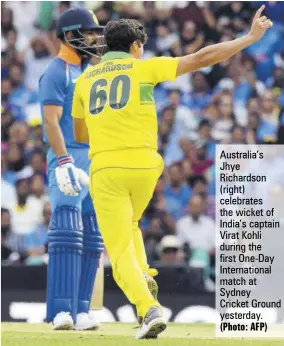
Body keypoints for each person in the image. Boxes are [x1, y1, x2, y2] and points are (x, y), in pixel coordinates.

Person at [69, 6, 272, 339]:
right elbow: (203, 57)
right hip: (147, 166)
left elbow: (80, 135)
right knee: (131, 224)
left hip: (107, 168)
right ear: (135, 47)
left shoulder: (83, 82)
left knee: (118, 253)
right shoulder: (145, 68)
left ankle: (148, 308)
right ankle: (145, 275)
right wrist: (249, 37)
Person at [38, 8, 105, 331]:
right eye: (89, 32)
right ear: (69, 35)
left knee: (92, 234)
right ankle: (61, 310)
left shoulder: (89, 72)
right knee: (66, 228)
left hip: (94, 157)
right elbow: (51, 121)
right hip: (67, 157)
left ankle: (81, 310)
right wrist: (63, 160)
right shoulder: (56, 72)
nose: (94, 38)